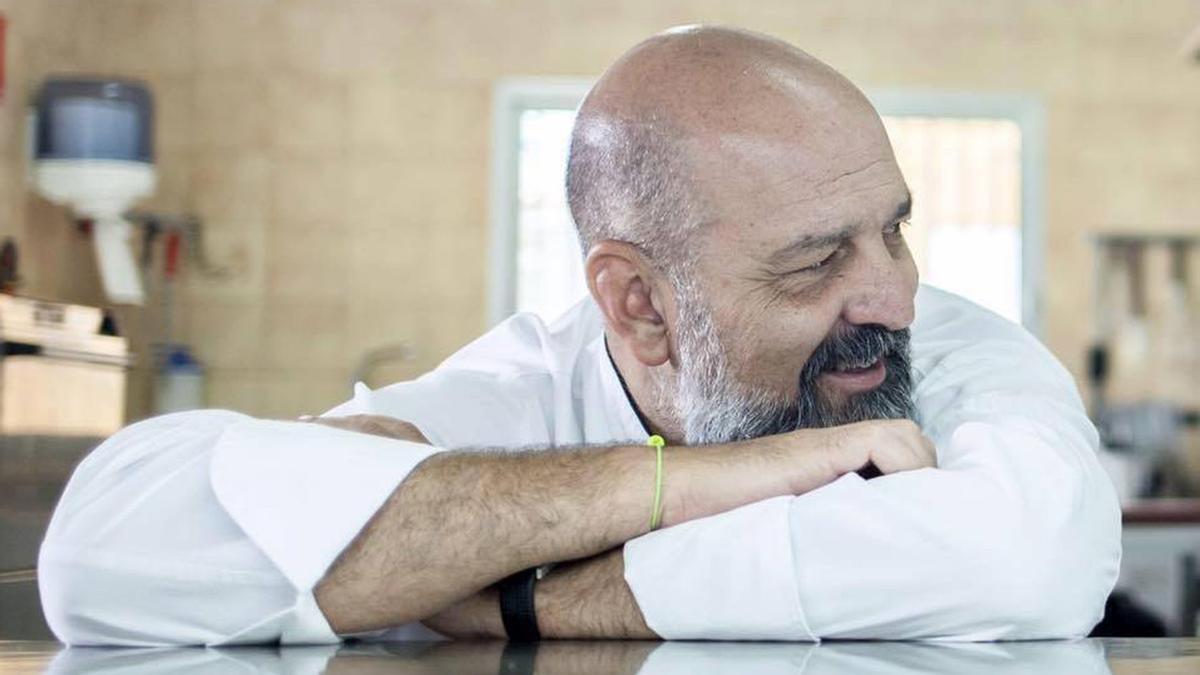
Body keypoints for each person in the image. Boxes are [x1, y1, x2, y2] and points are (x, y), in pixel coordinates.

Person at [37, 25, 1120, 646]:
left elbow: (1031, 557)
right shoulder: (525, 387)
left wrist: (533, 598)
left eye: (894, 230)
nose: (893, 292)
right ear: (639, 305)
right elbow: (104, 553)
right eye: (816, 260)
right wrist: (699, 481)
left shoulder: (950, 350)